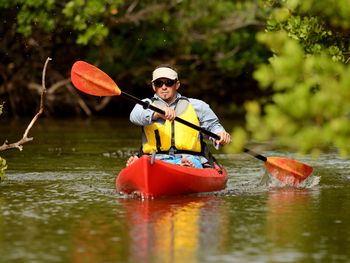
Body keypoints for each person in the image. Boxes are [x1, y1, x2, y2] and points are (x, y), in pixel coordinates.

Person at [126, 64, 231, 168]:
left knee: (191, 162)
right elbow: (134, 117)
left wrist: (220, 134)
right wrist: (156, 113)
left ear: (177, 84)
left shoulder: (197, 106)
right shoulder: (145, 105)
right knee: (146, 162)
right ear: (154, 86)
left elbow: (213, 126)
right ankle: (142, 165)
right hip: (155, 159)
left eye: (169, 83)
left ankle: (186, 167)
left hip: (189, 157)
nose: (164, 87)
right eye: (159, 83)